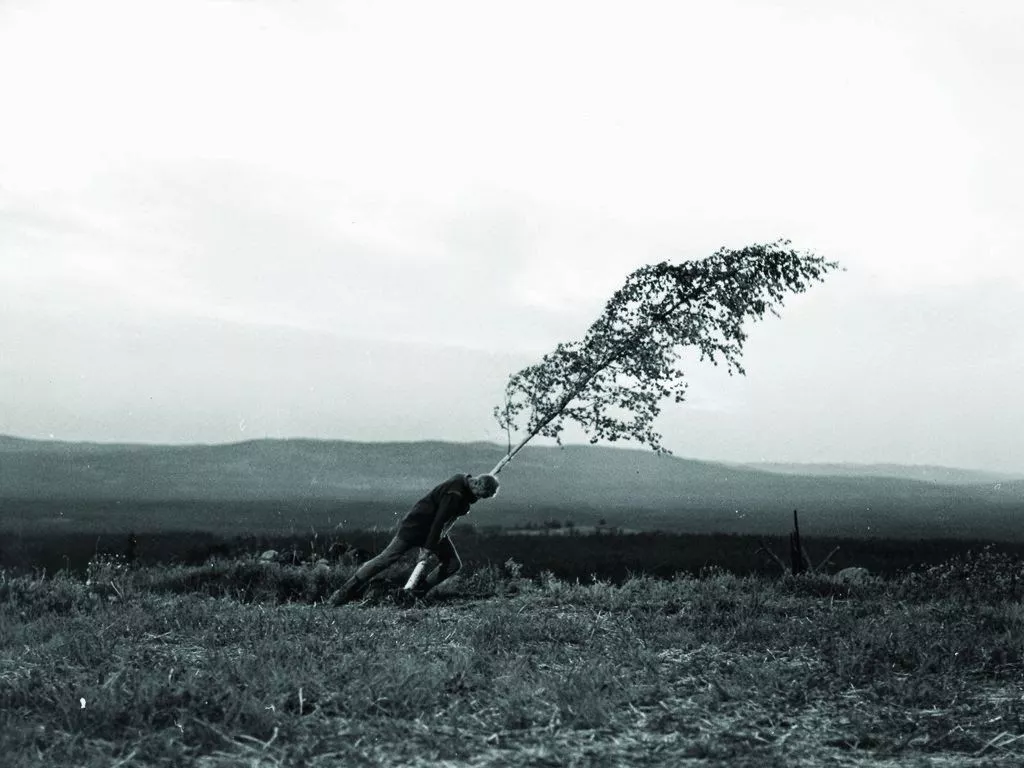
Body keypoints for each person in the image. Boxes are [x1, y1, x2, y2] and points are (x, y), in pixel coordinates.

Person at [329, 472, 499, 605]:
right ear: (476, 483)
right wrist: (427, 549)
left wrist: (466, 503)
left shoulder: (461, 481)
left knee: (453, 564)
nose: (479, 499)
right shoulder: (455, 494)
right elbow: (439, 521)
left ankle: (415, 594)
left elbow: (452, 510)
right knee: (387, 558)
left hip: (431, 530)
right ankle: (344, 592)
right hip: (417, 527)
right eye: (481, 495)